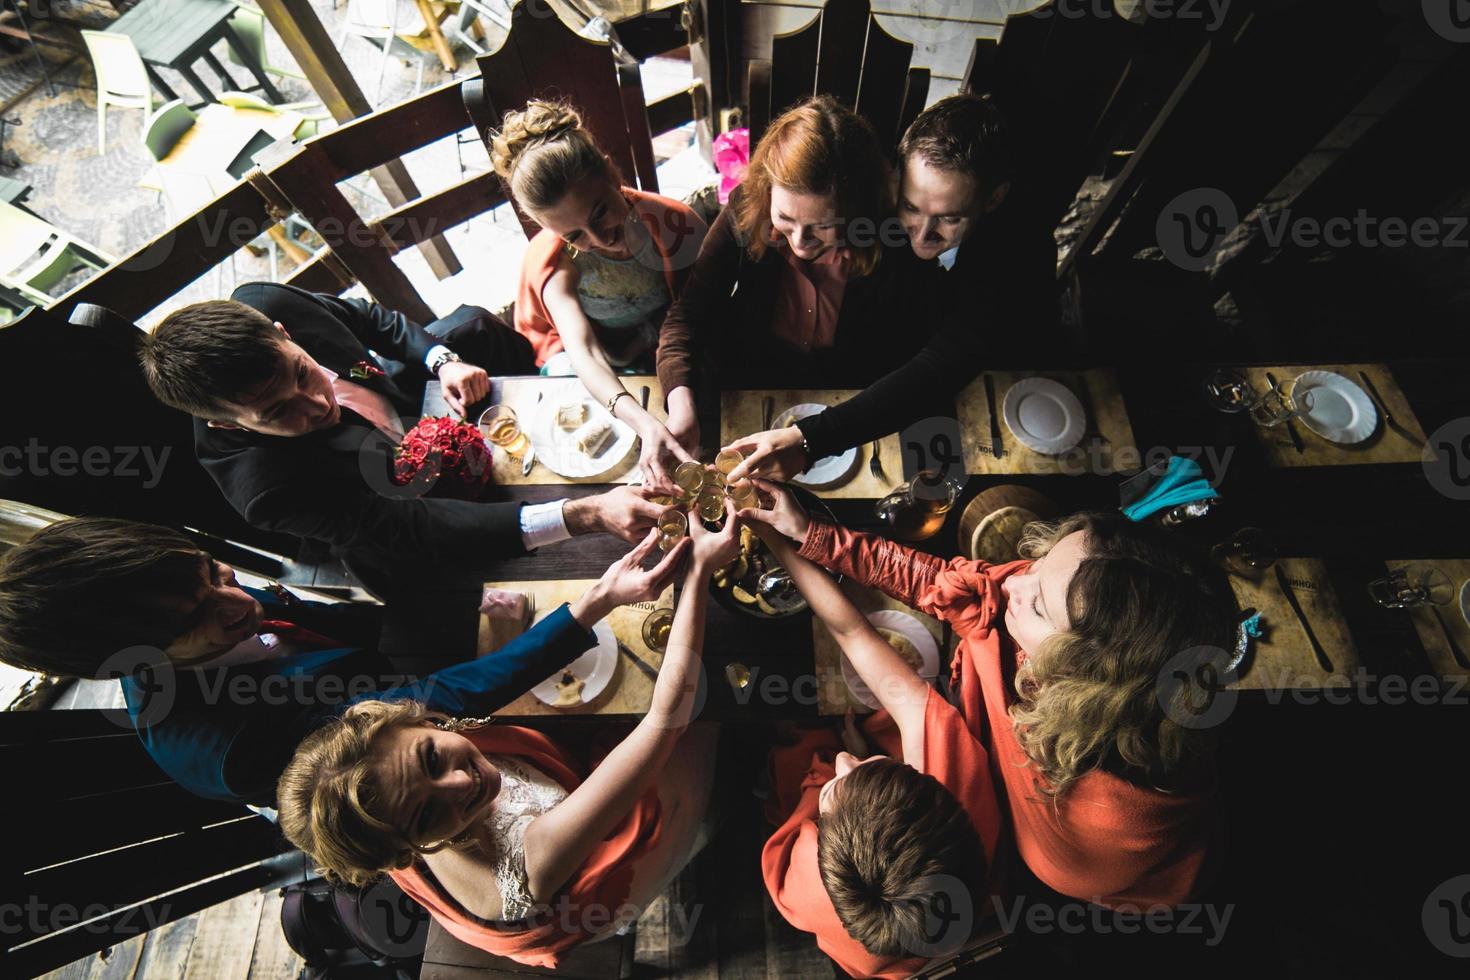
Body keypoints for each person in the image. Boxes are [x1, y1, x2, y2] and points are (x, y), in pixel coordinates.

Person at [275, 501, 742, 967]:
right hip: (600, 869)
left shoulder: (387, 771)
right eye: (425, 816)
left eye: (433, 760)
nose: (460, 785)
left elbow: (490, 677)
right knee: (712, 711)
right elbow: (666, 720)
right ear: (403, 849)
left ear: (418, 719)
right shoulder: (528, 861)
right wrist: (698, 571)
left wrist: (604, 595)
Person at [740, 481, 1237, 908]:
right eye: (1040, 562)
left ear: (1086, 677)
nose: (1014, 583)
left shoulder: (1107, 831)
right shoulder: (1059, 603)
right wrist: (810, 534)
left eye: (1038, 604)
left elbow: (1061, 866)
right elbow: (952, 588)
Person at [0, 516, 688, 805]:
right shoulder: (236, 746)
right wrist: (593, 604)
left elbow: (356, 623)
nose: (233, 599)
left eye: (213, 571)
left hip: (393, 674)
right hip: (421, 776)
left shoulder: (199, 598)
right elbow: (425, 702)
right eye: (199, 615)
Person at [138, 283, 667, 607]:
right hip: (388, 517)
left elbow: (369, 320)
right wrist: (585, 515)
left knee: (474, 328)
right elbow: (409, 524)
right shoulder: (268, 491)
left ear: (282, 333)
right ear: (233, 427)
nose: (314, 404)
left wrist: (442, 361)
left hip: (402, 407)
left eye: (302, 373)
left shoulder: (266, 302)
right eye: (278, 412)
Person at [724, 94, 1057, 484]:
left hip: (1005, 385)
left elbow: (945, 361)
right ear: (897, 177)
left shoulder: (1022, 253)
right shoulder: (881, 212)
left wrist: (813, 438)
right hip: (898, 381)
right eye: (912, 208)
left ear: (994, 198)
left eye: (950, 218)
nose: (922, 232)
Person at [749, 521, 1004, 978]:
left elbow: (852, 636)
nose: (844, 759)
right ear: (925, 779)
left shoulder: (804, 887)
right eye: (867, 766)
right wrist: (776, 539)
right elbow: (853, 634)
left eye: (830, 797)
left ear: (820, 845)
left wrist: (819, 782)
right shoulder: (956, 788)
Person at [655, 95, 936, 456]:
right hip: (753, 383)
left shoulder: (892, 237)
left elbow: (914, 353)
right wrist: (680, 404)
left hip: (849, 401)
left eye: (823, 226)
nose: (800, 242)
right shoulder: (745, 208)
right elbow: (686, 318)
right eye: (785, 219)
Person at [489, 99, 708, 490]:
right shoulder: (556, 264)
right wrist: (642, 422)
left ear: (610, 171)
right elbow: (584, 353)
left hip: (673, 338)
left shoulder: (674, 225)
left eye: (600, 213)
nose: (600, 240)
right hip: (604, 358)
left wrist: (678, 395)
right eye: (574, 236)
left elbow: (698, 313)